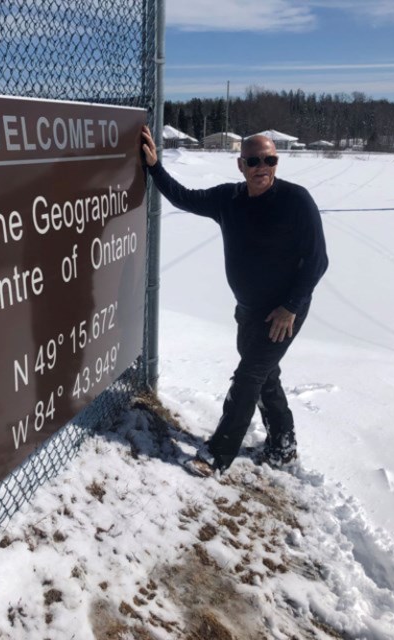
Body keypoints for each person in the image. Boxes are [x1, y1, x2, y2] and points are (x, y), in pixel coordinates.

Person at [140, 125, 328, 473]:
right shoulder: (229, 199)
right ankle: (282, 445)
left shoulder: (296, 200)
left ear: (277, 162)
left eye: (269, 159)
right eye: (254, 160)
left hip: (284, 312)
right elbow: (184, 197)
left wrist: (290, 307)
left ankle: (218, 455)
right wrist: (154, 168)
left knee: (247, 377)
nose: (262, 167)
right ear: (241, 165)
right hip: (249, 310)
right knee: (264, 376)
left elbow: (318, 261)